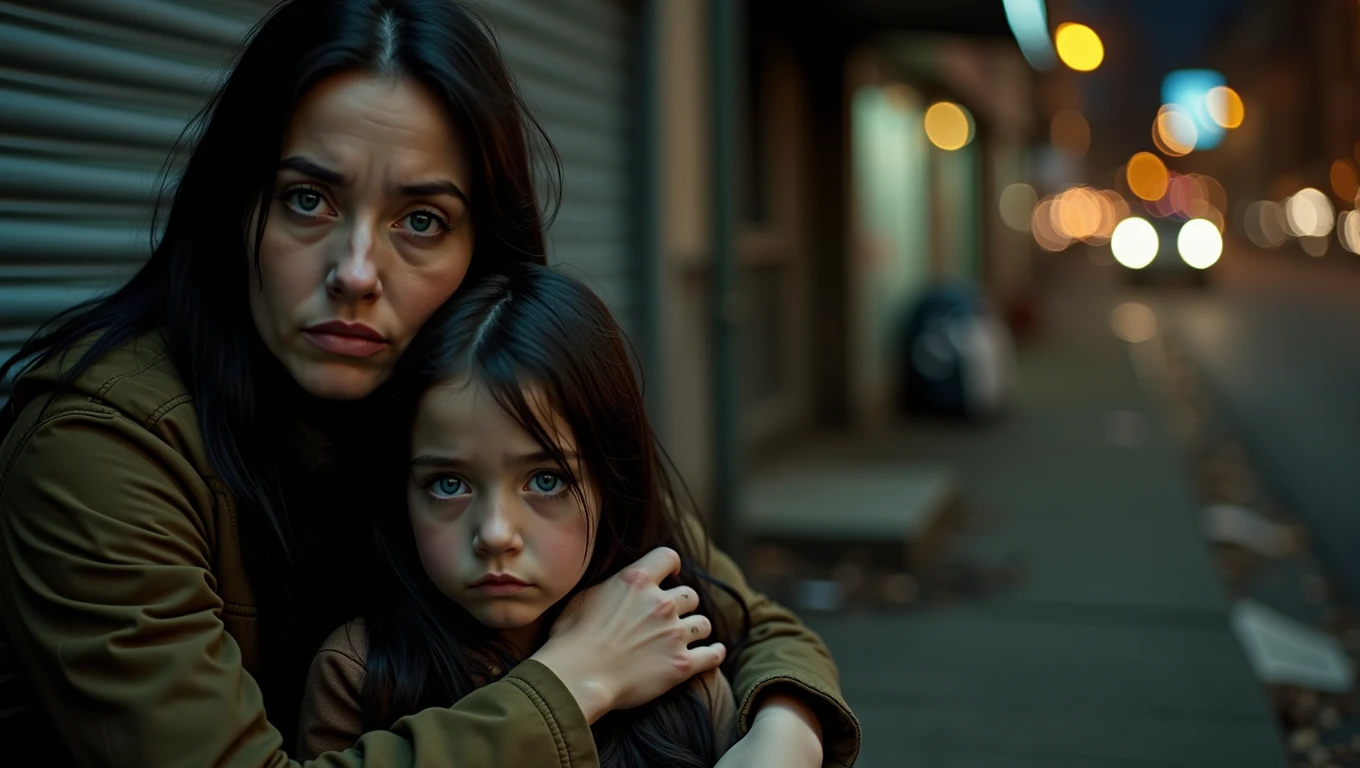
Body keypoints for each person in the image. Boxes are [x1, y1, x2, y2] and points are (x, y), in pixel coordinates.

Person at [0, 1, 860, 766]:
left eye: (421, 221)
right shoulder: (100, 448)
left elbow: (744, 621)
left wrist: (785, 730)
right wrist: (573, 681)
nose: (357, 270)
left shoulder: (463, 397)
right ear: (238, 203)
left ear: (480, 247)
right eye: (309, 200)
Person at [298, 264, 742, 766]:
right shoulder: (361, 672)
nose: (495, 534)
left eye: (546, 480)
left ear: (609, 482)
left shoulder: (672, 649)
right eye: (449, 484)